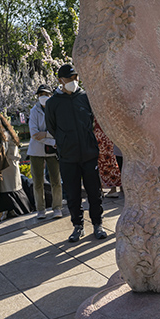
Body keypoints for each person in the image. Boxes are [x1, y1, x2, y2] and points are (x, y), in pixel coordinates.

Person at [45, 63, 107, 243]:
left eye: (75, 77)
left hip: (88, 154)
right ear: (60, 80)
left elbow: (92, 120)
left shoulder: (85, 97)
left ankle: (97, 223)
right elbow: (52, 127)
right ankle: (78, 226)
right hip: (68, 156)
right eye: (69, 78)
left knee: (94, 192)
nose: (73, 81)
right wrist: (65, 140)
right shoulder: (52, 103)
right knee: (73, 194)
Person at [0, 111, 30, 224]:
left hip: (5, 168)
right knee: (13, 191)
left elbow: (0, 153)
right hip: (10, 167)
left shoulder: (2, 136)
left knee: (3, 192)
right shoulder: (8, 133)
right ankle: (15, 211)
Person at [27, 85, 64, 219]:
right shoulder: (34, 111)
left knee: (56, 180)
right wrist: (51, 140)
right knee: (37, 182)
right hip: (37, 151)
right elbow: (34, 134)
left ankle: (57, 207)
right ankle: (40, 209)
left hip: (52, 151)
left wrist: (46, 134)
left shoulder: (56, 109)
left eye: (45, 94)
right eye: (40, 94)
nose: (43, 97)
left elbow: (59, 130)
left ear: (50, 95)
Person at [95, 121, 122, 198]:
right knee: (110, 161)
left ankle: (108, 188)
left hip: (100, 135)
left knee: (103, 162)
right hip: (108, 134)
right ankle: (114, 187)